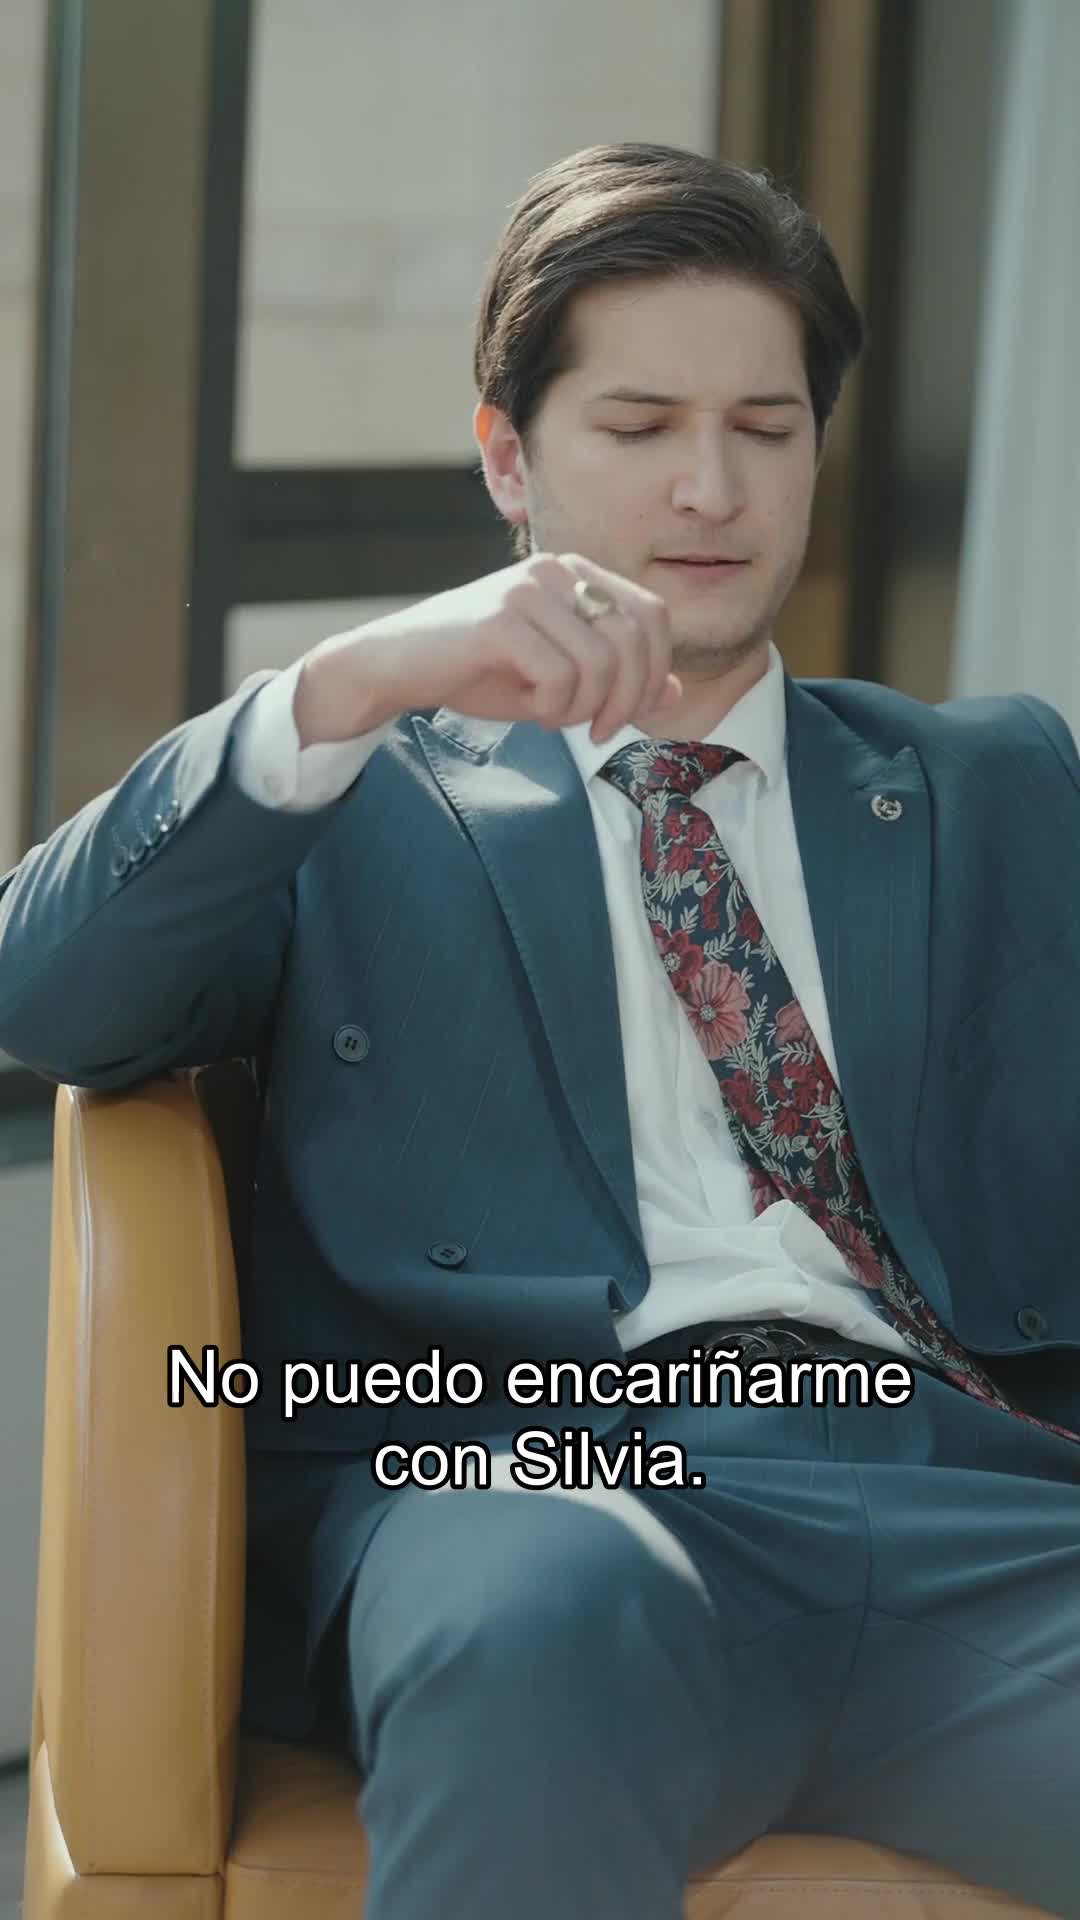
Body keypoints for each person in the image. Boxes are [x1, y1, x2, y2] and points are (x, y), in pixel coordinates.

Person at [1, 141, 1078, 1920]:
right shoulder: (351, 792)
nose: (712, 488)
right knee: (543, 1617)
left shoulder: (993, 783)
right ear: (509, 458)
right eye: (639, 426)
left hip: (976, 1502)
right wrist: (342, 687)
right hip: (541, 1478)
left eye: (767, 427)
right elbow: (47, 1000)